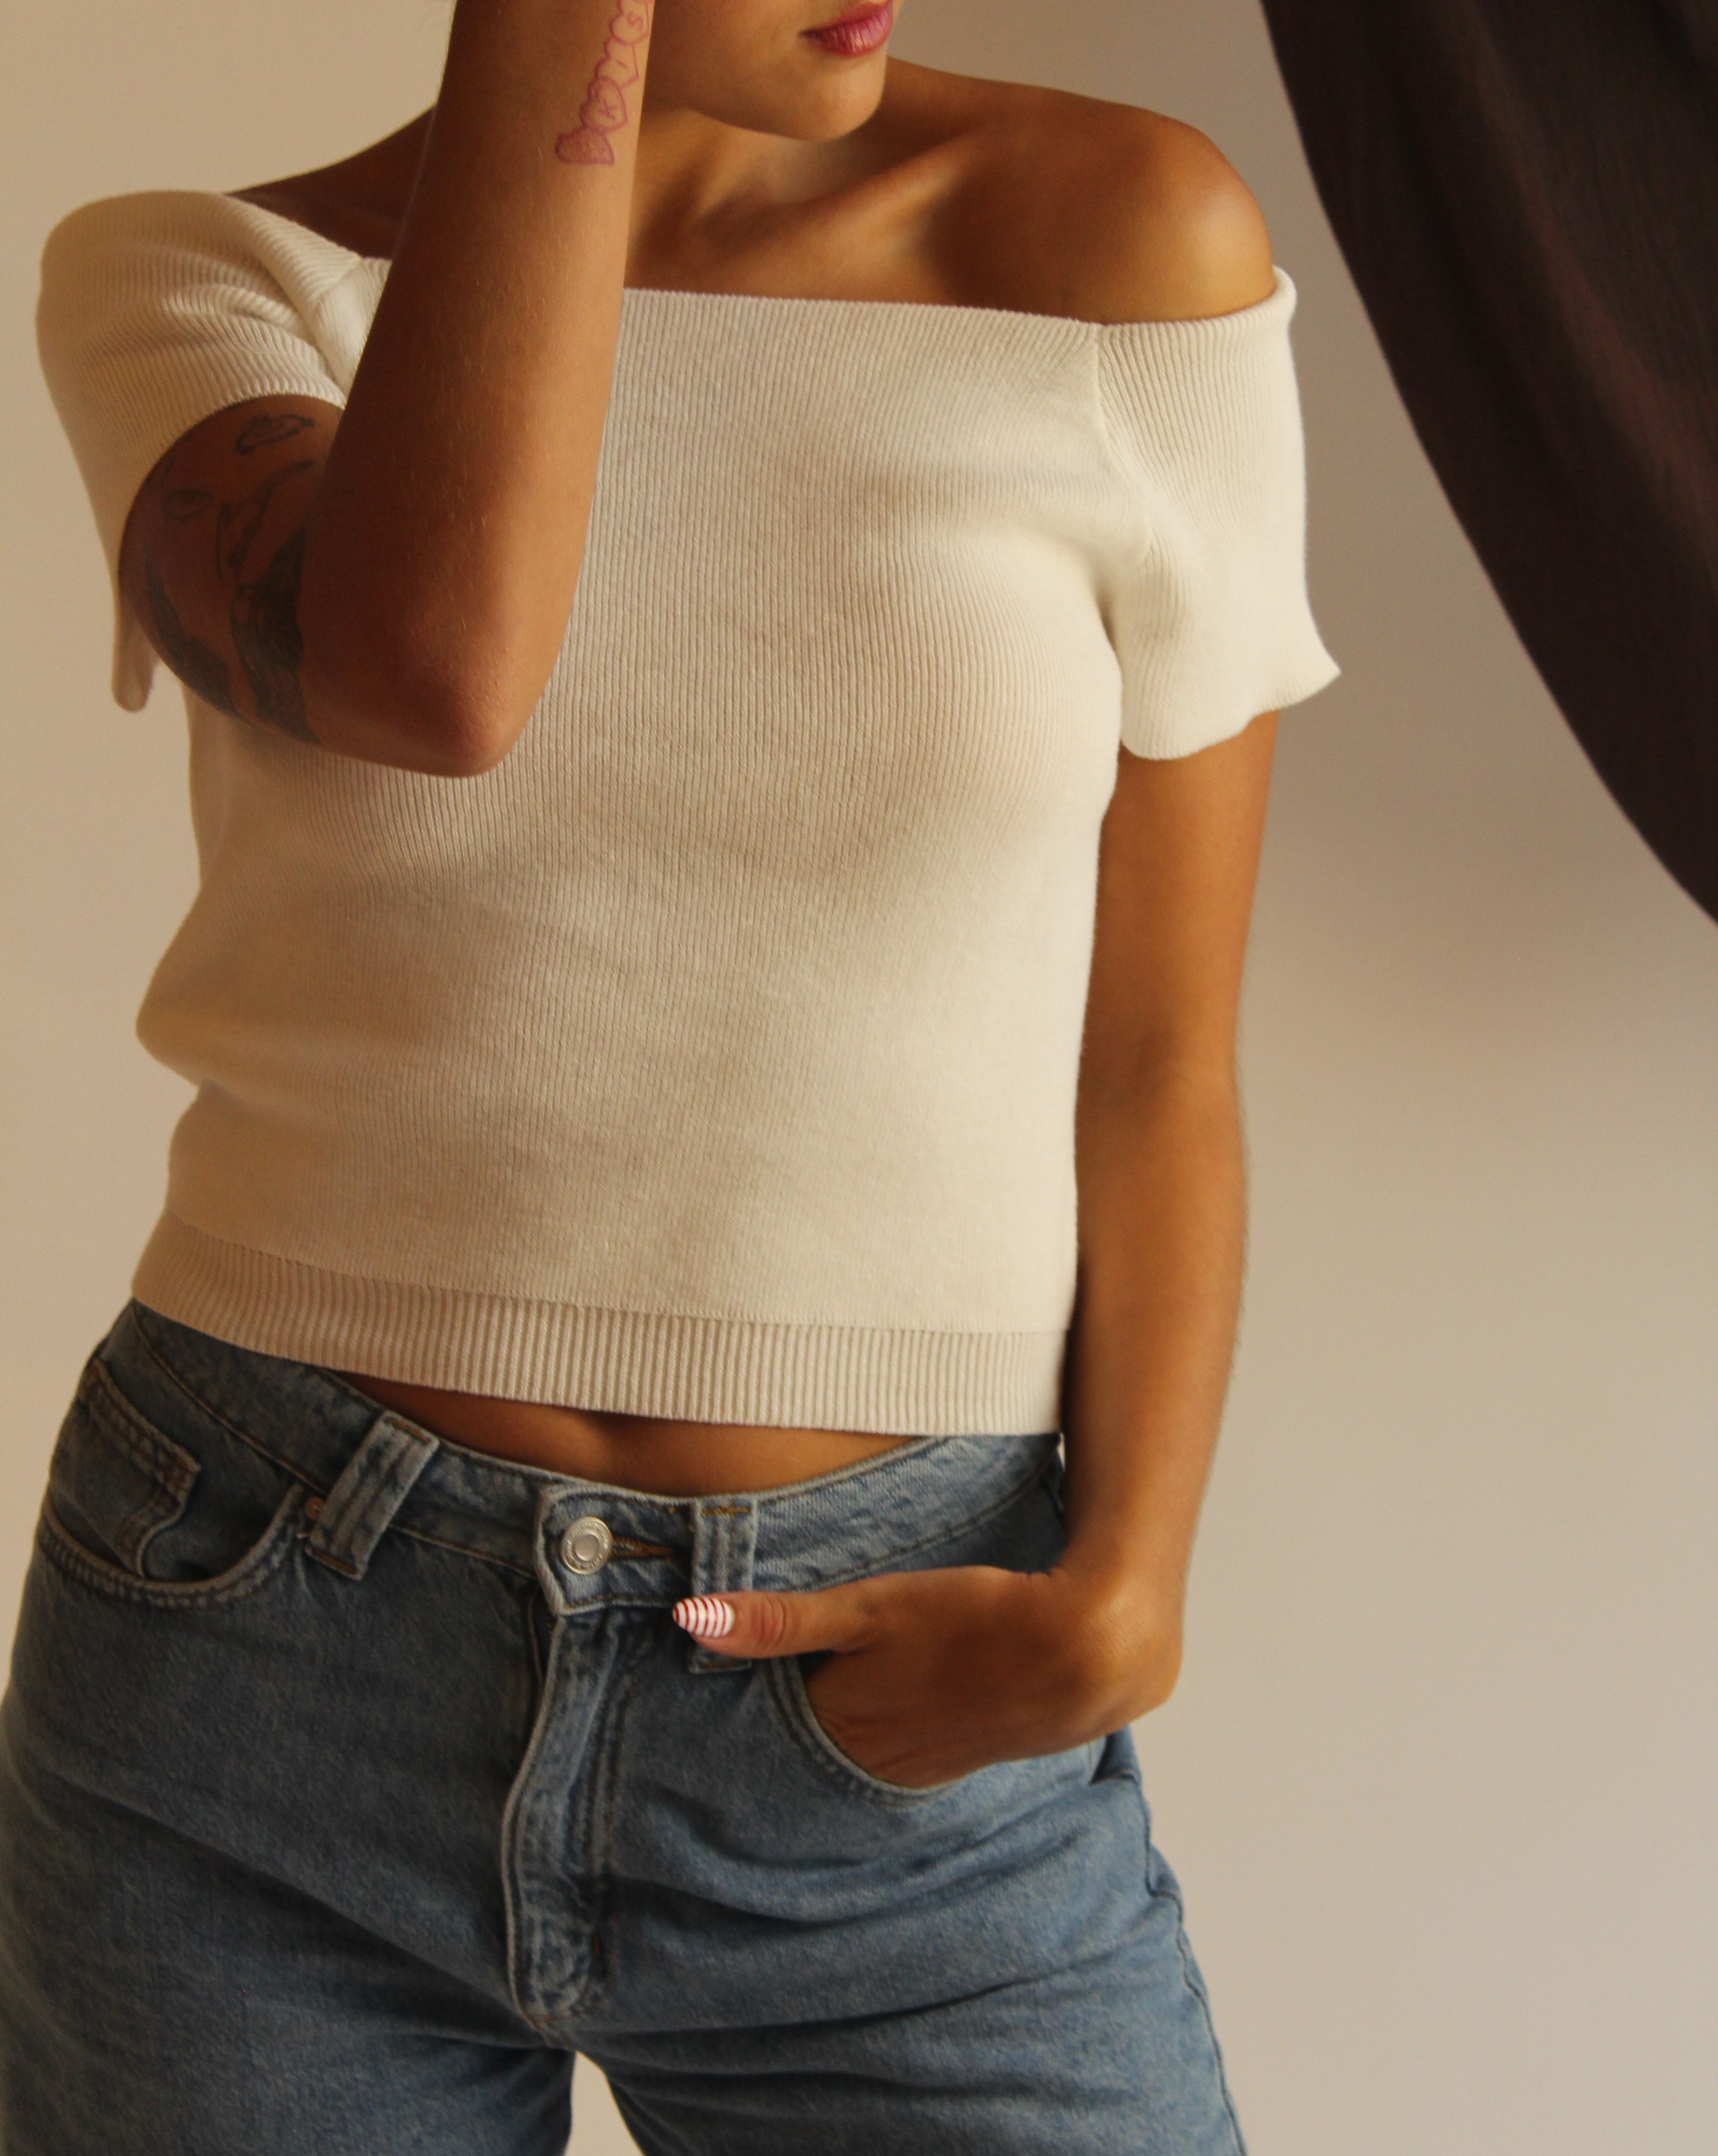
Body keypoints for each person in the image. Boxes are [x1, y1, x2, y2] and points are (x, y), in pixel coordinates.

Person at [1, 1, 1337, 2149]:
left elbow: (1161, 1044)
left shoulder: (1118, 247)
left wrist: (1131, 1579)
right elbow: (438, 669)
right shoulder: (205, 282)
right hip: (259, 1659)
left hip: (888, 1690)